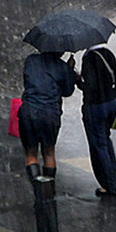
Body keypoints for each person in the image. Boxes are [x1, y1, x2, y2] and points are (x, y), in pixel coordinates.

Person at [18, 51, 77, 185]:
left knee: (31, 153)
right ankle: (48, 189)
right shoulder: (62, 67)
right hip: (50, 114)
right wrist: (70, 71)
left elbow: (27, 81)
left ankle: (36, 187)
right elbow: (67, 92)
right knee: (49, 152)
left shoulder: (31, 60)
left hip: (29, 111)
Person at [77, 43, 116, 197]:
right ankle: (114, 178)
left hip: (95, 107)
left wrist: (78, 79)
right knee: (106, 141)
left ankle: (109, 186)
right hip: (111, 104)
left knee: (99, 145)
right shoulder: (107, 53)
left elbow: (90, 87)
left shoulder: (89, 58)